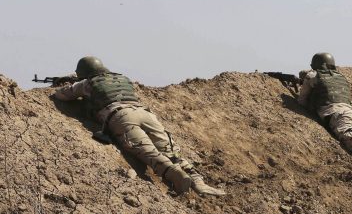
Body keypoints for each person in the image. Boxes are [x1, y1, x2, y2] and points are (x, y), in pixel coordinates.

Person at [53, 56, 226, 196]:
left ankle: (174, 173)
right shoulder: (121, 78)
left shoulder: (87, 83)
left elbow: (62, 95)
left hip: (121, 116)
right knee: (171, 150)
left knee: (146, 150)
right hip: (146, 114)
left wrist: (68, 83)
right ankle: (198, 182)